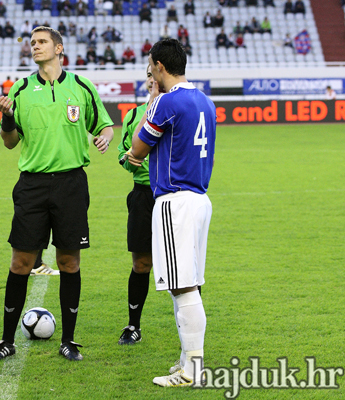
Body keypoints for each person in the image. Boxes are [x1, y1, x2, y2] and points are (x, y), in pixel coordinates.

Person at [0, 26, 114, 362]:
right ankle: (5, 340)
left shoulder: (81, 87)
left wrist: (105, 137)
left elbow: (104, 125)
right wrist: (8, 118)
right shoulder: (22, 89)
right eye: (32, 43)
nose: (35, 47)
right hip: (32, 184)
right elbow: (11, 142)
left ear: (59, 48)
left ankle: (69, 341)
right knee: (21, 262)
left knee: (69, 261)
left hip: (71, 183)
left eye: (42, 42)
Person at [129, 38, 215, 387]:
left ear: (160, 66)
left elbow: (138, 147)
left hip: (174, 200)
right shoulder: (205, 101)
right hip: (199, 198)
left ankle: (192, 370)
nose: (150, 73)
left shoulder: (165, 101)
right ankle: (186, 361)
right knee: (189, 282)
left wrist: (151, 102)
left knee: (182, 288)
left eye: (151, 68)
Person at [116, 65, 154, 346]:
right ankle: (133, 326)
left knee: (183, 268)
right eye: (148, 76)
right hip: (142, 196)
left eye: (156, 75)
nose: (152, 80)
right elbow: (126, 160)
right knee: (141, 264)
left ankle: (188, 328)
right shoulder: (132, 116)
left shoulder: (180, 110)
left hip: (174, 196)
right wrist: (150, 107)